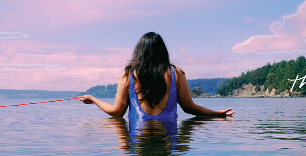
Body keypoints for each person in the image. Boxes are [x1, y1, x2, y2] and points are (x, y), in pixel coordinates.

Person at [78, 32, 233, 119]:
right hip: (167, 139)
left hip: (138, 141)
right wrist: (216, 113)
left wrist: (92, 99)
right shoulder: (176, 73)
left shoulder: (129, 74)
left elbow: (117, 112)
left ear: (139, 52)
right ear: (163, 51)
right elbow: (189, 108)